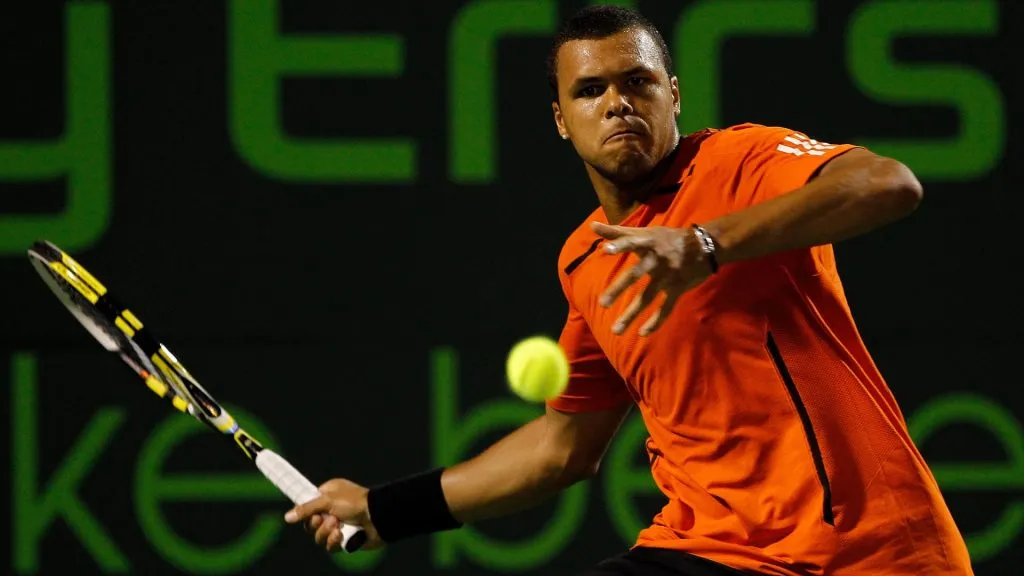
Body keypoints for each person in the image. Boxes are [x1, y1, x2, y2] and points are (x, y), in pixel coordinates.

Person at [284, 5, 974, 575]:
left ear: (672, 94)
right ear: (561, 118)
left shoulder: (741, 160)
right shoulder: (588, 259)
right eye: (590, 91)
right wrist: (383, 509)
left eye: (637, 83)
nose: (617, 103)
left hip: (870, 553)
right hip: (710, 551)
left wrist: (706, 244)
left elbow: (888, 184)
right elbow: (562, 447)